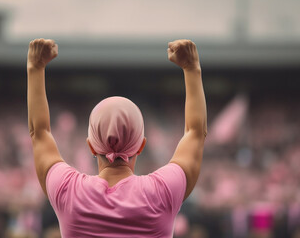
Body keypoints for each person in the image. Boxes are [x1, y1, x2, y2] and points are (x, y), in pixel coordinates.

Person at [27, 38, 207, 237]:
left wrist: (35, 67)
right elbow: (196, 133)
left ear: (91, 147)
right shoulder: (163, 191)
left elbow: (39, 133)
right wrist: (192, 68)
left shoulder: (67, 189)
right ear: (141, 145)